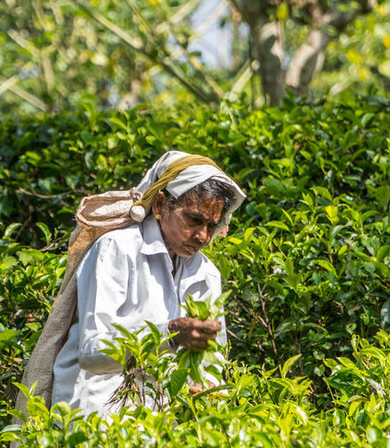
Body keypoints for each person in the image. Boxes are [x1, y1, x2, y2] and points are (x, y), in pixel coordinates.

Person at [49, 151, 245, 416]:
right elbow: (92, 352)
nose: (202, 236)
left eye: (211, 226)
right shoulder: (117, 249)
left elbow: (214, 355)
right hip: (94, 412)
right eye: (194, 220)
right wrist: (170, 334)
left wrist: (207, 386)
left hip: (160, 420)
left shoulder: (206, 273)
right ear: (160, 205)